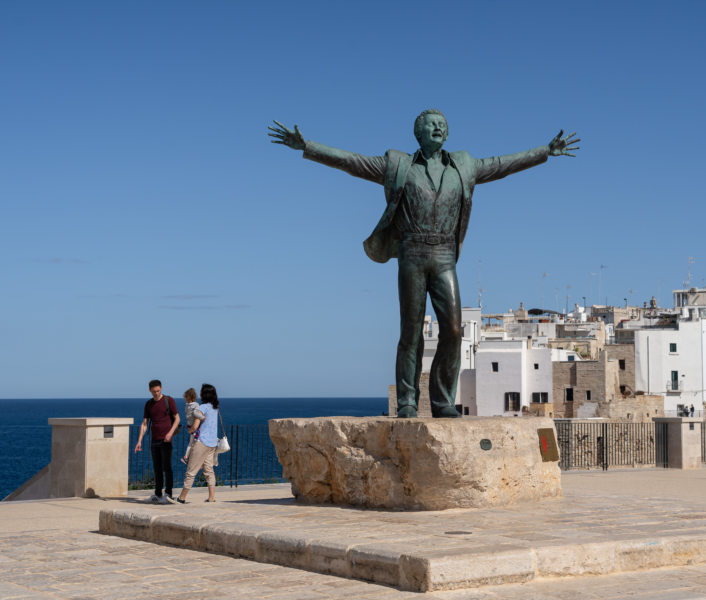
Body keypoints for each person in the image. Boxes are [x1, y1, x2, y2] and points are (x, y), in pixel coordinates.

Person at [269, 110, 579, 418]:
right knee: (411, 331)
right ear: (418, 133)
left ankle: (443, 401)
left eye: (442, 125)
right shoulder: (398, 165)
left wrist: (544, 152)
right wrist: (308, 146)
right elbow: (353, 162)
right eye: (431, 124)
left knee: (454, 330)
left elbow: (501, 166)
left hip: (445, 256)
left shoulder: (464, 166)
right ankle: (407, 400)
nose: (438, 128)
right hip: (412, 253)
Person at [134, 379, 180, 503]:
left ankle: (168, 494)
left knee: (167, 467)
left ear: (161, 388)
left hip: (166, 440)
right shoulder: (149, 404)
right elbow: (144, 423)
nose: (156, 393)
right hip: (154, 439)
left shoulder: (168, 400)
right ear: (150, 390)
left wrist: (170, 433)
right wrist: (139, 441)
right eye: (154, 391)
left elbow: (177, 419)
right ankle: (157, 494)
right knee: (157, 468)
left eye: (158, 391)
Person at [177, 383, 220, 504]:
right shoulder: (215, 408)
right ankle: (211, 497)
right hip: (212, 443)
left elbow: (195, 426)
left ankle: (182, 497)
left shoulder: (202, 408)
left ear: (204, 394)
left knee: (191, 471)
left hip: (202, 442)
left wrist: (189, 430)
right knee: (209, 471)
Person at [180, 388, 205, 465]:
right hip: (195, 427)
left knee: (191, 443)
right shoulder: (196, 405)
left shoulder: (187, 406)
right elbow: (195, 413)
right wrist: (203, 417)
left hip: (189, 425)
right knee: (195, 443)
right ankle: (189, 457)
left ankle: (186, 457)